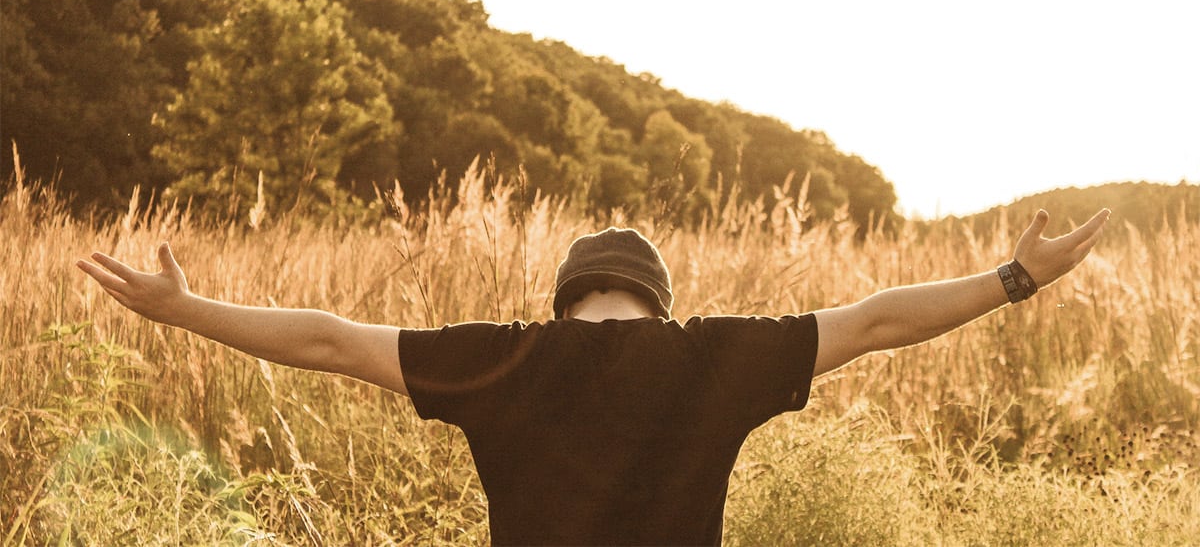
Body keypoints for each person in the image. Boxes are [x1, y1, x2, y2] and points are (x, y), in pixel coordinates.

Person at [76, 208, 1109, 546]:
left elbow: (332, 340)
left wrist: (185, 309)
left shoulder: (500, 358)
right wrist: (1015, 277)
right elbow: (879, 319)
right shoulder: (715, 357)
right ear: (657, 301)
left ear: (567, 298)